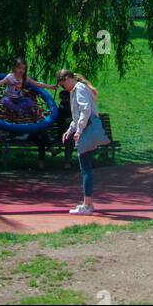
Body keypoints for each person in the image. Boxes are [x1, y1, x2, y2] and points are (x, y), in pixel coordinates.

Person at [57, 68, 109, 215]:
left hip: (87, 131)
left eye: (62, 84)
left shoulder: (79, 88)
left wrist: (78, 130)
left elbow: (85, 111)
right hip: (88, 129)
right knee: (86, 167)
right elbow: (78, 115)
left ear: (67, 78)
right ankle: (88, 204)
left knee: (86, 169)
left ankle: (87, 205)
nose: (63, 88)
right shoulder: (77, 89)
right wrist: (71, 129)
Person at [0, 57, 54, 122]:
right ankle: (19, 110)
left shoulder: (25, 78)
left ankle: (20, 110)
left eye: (23, 69)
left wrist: (50, 86)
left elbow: (37, 83)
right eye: (19, 68)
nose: (21, 70)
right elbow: (0, 82)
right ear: (14, 68)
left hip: (18, 98)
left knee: (30, 102)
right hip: (8, 97)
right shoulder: (10, 77)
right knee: (4, 101)